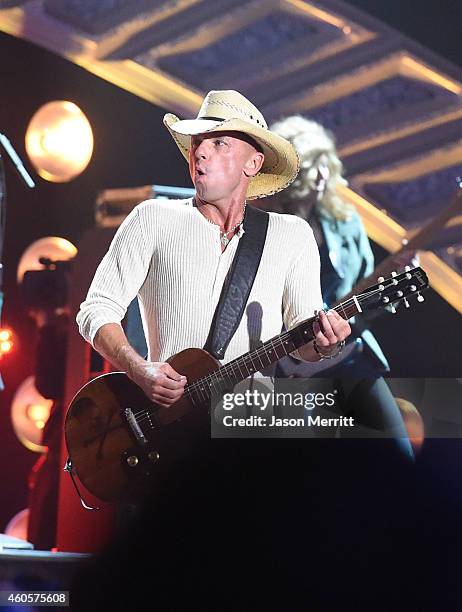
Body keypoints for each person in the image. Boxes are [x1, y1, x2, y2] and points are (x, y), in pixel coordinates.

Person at [76, 90, 351, 410]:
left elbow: (303, 342)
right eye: (197, 141)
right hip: (169, 431)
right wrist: (140, 370)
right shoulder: (152, 218)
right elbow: (95, 311)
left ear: (254, 162)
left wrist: (326, 342)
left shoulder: (291, 235)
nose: (201, 151)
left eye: (219, 142)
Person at [264, 115, 413, 457]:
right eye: (314, 166)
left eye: (324, 166)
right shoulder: (261, 227)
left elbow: (367, 300)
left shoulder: (346, 225)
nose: (322, 176)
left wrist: (389, 284)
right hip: (285, 371)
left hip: (348, 358)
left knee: (398, 454)